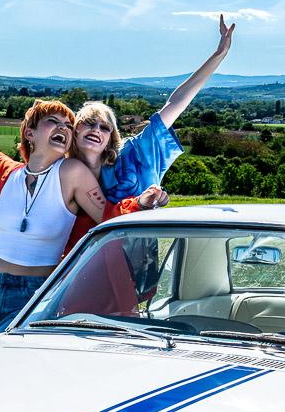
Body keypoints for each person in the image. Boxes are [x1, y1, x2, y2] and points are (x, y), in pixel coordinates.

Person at [0, 101, 165, 340]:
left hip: (32, 295)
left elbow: (106, 215)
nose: (63, 128)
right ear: (29, 133)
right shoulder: (4, 171)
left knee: (16, 374)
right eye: (53, 122)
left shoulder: (72, 173)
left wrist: (139, 204)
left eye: (68, 125)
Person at [64, 14, 236, 256]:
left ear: (111, 137)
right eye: (89, 123)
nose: (96, 130)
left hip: (133, 262)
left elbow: (173, 104)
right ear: (75, 129)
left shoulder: (133, 156)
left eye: (104, 127)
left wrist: (218, 55)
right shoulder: (61, 168)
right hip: (74, 265)